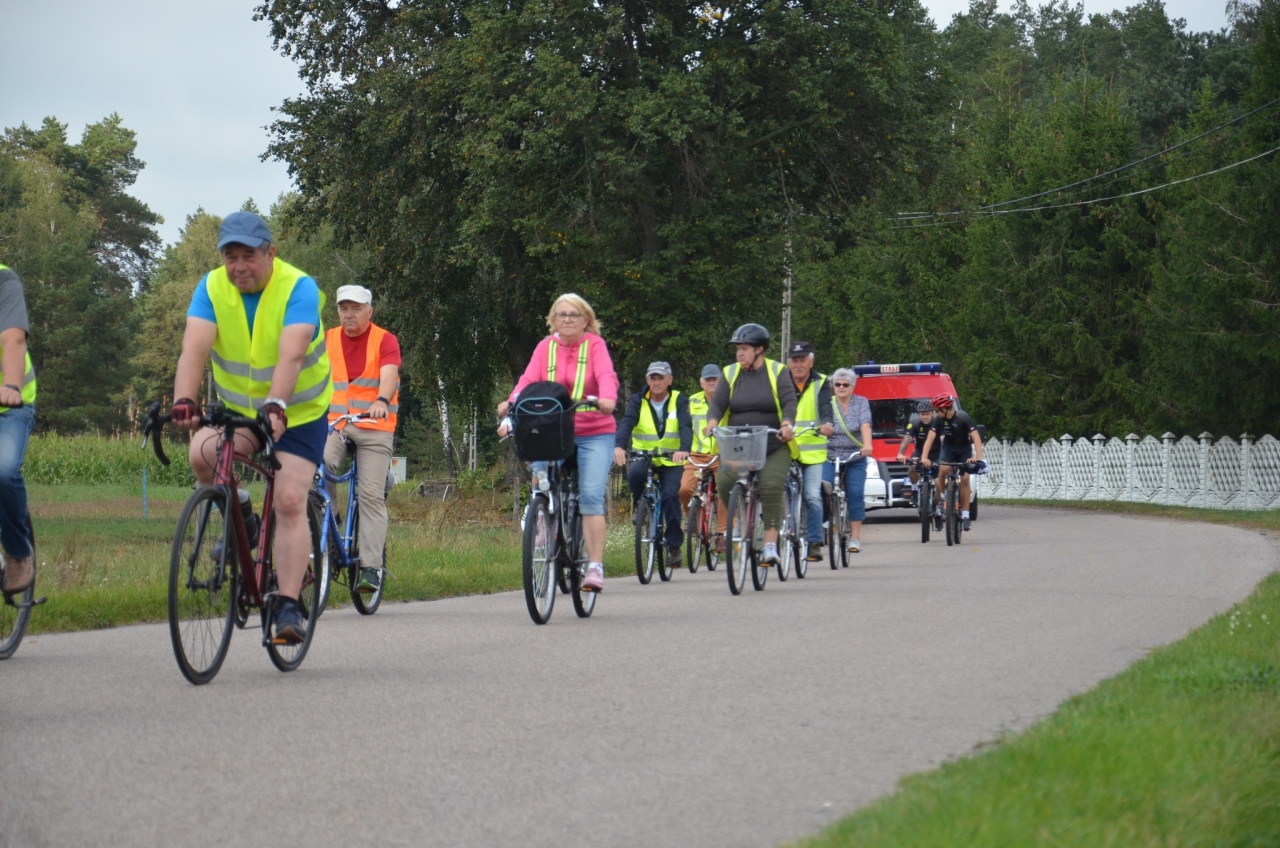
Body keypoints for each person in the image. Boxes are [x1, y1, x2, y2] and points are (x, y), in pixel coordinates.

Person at [170, 211, 332, 644]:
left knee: (291, 498)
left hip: (298, 411)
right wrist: (183, 400)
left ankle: (288, 605)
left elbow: (292, 355)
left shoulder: (299, 287)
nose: (238, 266)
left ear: (270, 254)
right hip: (242, 409)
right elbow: (193, 350)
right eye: (230, 257)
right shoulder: (211, 287)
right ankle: (241, 511)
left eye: (248, 256)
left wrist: (277, 405)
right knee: (202, 454)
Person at [498, 294, 619, 591]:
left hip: (593, 430)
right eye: (561, 315)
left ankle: (594, 567)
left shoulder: (595, 346)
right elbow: (528, 381)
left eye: (574, 315)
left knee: (590, 497)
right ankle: (543, 518)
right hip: (554, 430)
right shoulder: (545, 347)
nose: (567, 320)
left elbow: (606, 375)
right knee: (542, 483)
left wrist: (607, 398)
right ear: (553, 319)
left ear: (586, 320)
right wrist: (511, 404)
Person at [325, 284, 401, 594]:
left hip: (374, 427)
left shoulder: (385, 339)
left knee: (370, 494)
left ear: (369, 311)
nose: (349, 314)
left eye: (356, 308)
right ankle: (330, 524)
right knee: (319, 468)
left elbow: (389, 373)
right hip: (337, 424)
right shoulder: (326, 338)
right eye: (344, 308)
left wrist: (381, 400)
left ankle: (371, 568)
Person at [704, 323, 797, 566]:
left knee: (770, 485)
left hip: (773, 444)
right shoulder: (730, 373)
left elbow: (789, 402)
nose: (739, 354)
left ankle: (769, 544)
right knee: (724, 482)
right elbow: (718, 403)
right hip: (738, 444)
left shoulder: (778, 371)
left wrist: (787, 424)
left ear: (760, 350)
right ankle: (743, 522)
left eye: (744, 349)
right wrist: (711, 421)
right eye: (737, 350)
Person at [614, 361, 691, 567]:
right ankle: (642, 506)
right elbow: (627, 422)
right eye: (653, 378)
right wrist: (619, 446)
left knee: (671, 495)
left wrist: (684, 449)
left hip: (671, 459)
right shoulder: (638, 400)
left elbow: (685, 426)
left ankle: (674, 545)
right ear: (647, 380)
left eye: (660, 378)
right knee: (636, 475)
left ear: (669, 380)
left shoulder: (678, 400)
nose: (656, 383)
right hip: (644, 455)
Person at [0, 263, 36, 595]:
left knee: (4, 470)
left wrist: (10, 385)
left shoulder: (5, 280)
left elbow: (13, 338)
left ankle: (18, 553)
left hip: (10, 406)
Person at [785, 341, 834, 561]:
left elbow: (825, 406)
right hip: (787, 449)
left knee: (812, 496)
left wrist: (827, 423)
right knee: (775, 491)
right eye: (794, 360)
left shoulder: (821, 382)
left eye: (802, 360)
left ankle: (814, 541)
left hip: (812, 453)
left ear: (811, 361)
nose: (798, 364)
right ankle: (773, 537)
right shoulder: (781, 382)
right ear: (788, 363)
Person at [825, 367, 873, 554]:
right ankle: (826, 525)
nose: (841, 387)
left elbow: (865, 425)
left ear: (853, 386)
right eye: (838, 384)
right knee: (823, 487)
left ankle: (854, 538)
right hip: (830, 454)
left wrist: (867, 445)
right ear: (833, 386)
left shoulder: (861, 403)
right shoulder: (827, 404)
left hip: (855, 455)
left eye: (846, 384)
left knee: (855, 493)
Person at [920, 394, 983, 531]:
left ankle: (966, 516)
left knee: (965, 479)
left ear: (945, 408)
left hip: (964, 449)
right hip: (948, 449)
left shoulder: (962, 416)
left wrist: (977, 457)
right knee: (943, 470)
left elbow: (976, 437)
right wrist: (924, 457)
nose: (935, 413)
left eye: (937, 410)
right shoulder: (938, 420)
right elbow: (930, 438)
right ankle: (942, 495)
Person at [679, 364, 722, 549]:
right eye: (708, 379)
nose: (711, 382)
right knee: (684, 489)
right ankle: (693, 520)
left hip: (721, 455)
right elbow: (684, 426)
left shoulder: (727, 400)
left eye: (715, 379)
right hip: (696, 456)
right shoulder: (692, 401)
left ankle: (722, 533)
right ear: (701, 382)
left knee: (725, 491)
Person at [896, 400, 940, 504]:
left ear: (932, 413)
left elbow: (944, 439)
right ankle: (915, 489)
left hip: (937, 451)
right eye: (922, 414)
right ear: (919, 414)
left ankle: (941, 496)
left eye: (927, 414)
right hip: (920, 451)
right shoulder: (914, 424)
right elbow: (907, 439)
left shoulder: (939, 423)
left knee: (941, 473)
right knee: (912, 466)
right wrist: (900, 453)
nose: (925, 417)